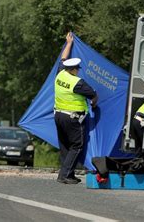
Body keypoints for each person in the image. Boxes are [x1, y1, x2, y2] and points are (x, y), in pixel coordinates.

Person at [54, 32, 98, 184]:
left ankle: (68, 174)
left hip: (58, 116)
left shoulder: (60, 74)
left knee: (65, 146)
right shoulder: (77, 82)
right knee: (77, 146)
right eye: (77, 68)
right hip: (73, 118)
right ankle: (64, 175)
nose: (78, 70)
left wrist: (69, 43)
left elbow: (63, 59)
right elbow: (93, 95)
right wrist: (94, 103)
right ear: (72, 70)